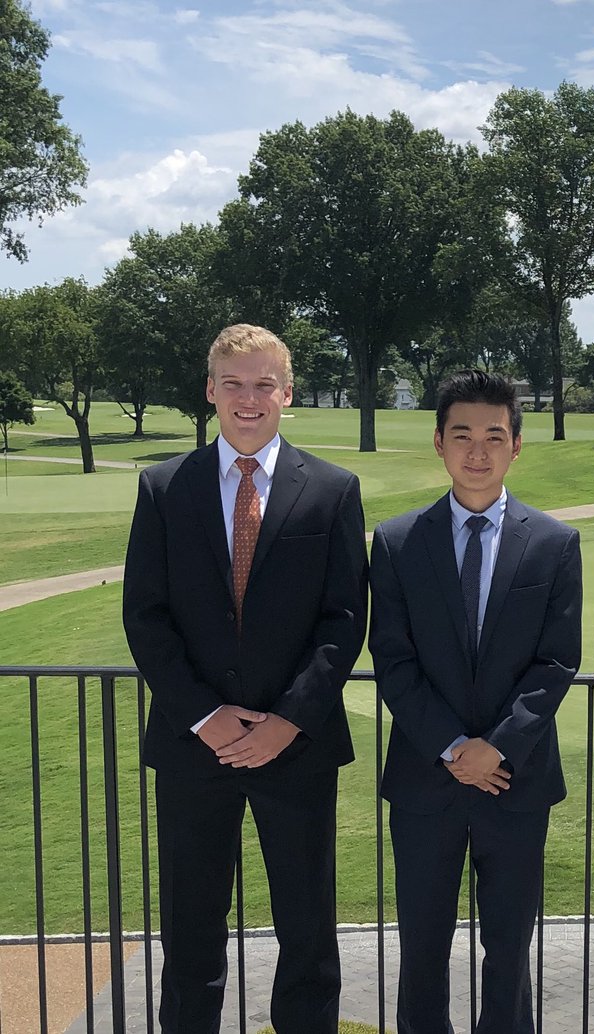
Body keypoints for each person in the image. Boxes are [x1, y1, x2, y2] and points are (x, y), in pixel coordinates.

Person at [122, 324, 368, 1034]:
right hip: (193, 748)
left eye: (264, 384)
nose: (249, 398)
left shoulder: (332, 490)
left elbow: (343, 620)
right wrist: (207, 716)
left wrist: (289, 719)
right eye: (233, 383)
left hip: (298, 748)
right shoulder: (165, 487)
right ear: (210, 391)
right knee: (191, 931)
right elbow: (146, 616)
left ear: (287, 393)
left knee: (308, 932)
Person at [369, 369, 582, 1034]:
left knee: (509, 951)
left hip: (514, 783)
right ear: (438, 442)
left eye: (494, 435)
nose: (478, 450)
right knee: (422, 950)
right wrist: (457, 748)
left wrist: (497, 746)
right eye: (462, 434)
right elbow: (394, 660)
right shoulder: (400, 543)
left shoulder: (553, 543)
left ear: (517, 444)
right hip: (425, 781)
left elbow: (557, 662)